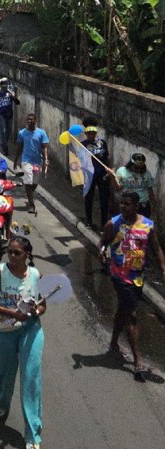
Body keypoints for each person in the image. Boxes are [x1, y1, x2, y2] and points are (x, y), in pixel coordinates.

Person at [0, 236, 46, 449]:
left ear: (27, 255)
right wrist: (12, 312)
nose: (12, 256)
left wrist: (34, 311)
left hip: (30, 330)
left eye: (17, 253)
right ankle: (1, 405)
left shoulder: (37, 275)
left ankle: (33, 431)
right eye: (9, 252)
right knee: (6, 371)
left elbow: (43, 306)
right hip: (4, 330)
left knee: (31, 377)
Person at [100, 190, 165, 381]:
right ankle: (138, 361)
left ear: (136, 206)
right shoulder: (113, 224)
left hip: (138, 276)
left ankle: (113, 344)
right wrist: (102, 252)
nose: (123, 207)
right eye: (122, 203)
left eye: (127, 204)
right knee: (132, 315)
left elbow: (156, 248)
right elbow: (103, 243)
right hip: (119, 275)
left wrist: (162, 268)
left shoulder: (147, 226)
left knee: (123, 309)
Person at [12, 113, 49, 214]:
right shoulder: (22, 133)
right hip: (26, 161)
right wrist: (15, 160)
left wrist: (46, 160)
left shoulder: (41, 133)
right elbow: (19, 146)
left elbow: (44, 147)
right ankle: (32, 205)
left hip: (37, 162)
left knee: (35, 182)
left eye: (31, 119)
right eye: (28, 119)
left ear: (35, 121)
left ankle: (30, 194)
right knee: (28, 181)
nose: (29, 121)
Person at [80, 119, 112, 229]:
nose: (91, 135)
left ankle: (104, 224)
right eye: (89, 133)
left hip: (102, 175)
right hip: (89, 175)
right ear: (86, 134)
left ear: (96, 133)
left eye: (93, 133)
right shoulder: (82, 145)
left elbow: (106, 157)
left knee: (104, 199)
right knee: (89, 198)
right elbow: (79, 160)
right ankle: (89, 221)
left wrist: (109, 169)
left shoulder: (102, 143)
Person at [113, 153, 156, 218]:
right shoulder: (122, 171)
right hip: (128, 206)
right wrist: (112, 177)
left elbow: (150, 191)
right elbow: (117, 188)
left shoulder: (147, 173)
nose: (139, 170)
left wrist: (154, 205)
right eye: (136, 167)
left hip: (143, 206)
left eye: (141, 168)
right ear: (131, 164)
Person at [0, 79, 20, 155]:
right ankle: (5, 148)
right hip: (1, 115)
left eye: (6, 86)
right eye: (3, 86)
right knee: (3, 131)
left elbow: (17, 102)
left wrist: (13, 97)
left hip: (9, 115)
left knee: (8, 132)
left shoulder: (9, 94)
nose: (5, 88)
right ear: (1, 87)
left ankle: (4, 143)